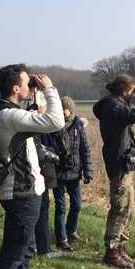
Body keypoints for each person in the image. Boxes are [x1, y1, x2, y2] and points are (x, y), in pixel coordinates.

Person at [0, 64, 64, 269]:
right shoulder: (8, 116)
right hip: (20, 195)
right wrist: (49, 89)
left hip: (26, 193)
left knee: (24, 252)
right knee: (12, 255)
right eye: (25, 83)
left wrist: (34, 97)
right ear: (14, 88)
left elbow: (30, 121)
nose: (28, 86)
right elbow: (55, 121)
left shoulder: (6, 113)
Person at [92, 73, 135, 269]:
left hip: (125, 162)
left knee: (129, 208)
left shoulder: (116, 104)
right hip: (118, 163)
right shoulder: (113, 106)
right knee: (120, 207)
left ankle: (121, 248)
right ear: (124, 90)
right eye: (133, 90)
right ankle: (111, 251)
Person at [53, 96, 93, 251]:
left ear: (70, 110)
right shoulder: (52, 125)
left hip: (74, 172)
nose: (61, 111)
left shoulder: (79, 126)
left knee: (77, 205)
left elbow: (85, 150)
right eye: (60, 108)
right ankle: (61, 239)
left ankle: (70, 231)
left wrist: (88, 171)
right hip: (57, 172)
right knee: (60, 207)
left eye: (64, 108)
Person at [31, 90, 62, 258]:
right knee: (41, 209)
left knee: (37, 209)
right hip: (41, 171)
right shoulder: (38, 124)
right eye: (45, 108)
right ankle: (44, 248)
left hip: (40, 171)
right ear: (41, 108)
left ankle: (33, 243)